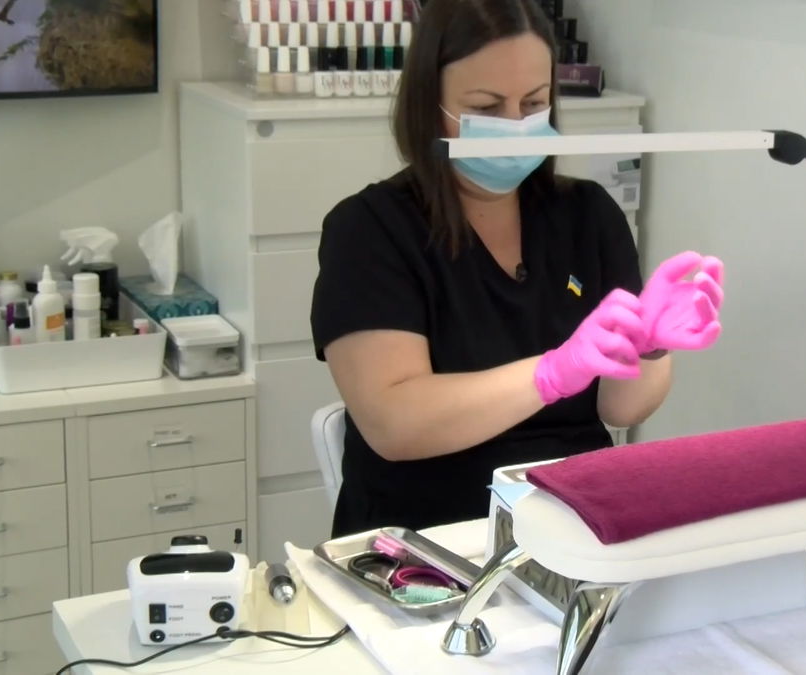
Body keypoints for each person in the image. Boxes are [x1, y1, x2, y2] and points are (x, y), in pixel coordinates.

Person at [310, 0, 724, 537]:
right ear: (429, 105)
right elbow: (395, 423)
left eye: (533, 103)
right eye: (487, 107)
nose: (515, 126)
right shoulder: (370, 230)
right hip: (428, 539)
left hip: (574, 524)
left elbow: (622, 410)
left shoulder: (588, 215)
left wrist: (650, 345)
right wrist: (552, 372)